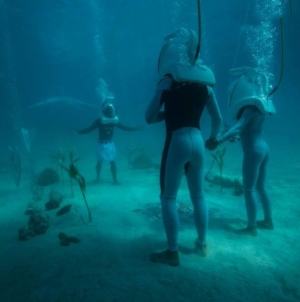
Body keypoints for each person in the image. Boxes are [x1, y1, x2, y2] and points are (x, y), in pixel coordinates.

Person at [145, 28, 222, 266]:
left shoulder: (168, 79)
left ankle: (172, 251)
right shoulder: (205, 86)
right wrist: (213, 138)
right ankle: (202, 244)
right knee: (198, 196)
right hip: (198, 140)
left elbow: (149, 116)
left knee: (168, 197)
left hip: (177, 141)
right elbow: (217, 120)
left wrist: (169, 114)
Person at [206, 67, 276, 236]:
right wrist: (234, 137)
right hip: (263, 147)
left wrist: (217, 141)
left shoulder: (250, 107)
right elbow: (246, 130)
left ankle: (251, 227)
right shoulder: (261, 105)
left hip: (253, 149)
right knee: (261, 187)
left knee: (249, 188)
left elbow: (238, 128)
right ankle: (268, 221)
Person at [73, 99, 142, 185]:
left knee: (108, 162)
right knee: (104, 162)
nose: (110, 114)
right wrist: (79, 132)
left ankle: (111, 179)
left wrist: (135, 128)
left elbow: (124, 128)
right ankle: (104, 179)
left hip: (107, 144)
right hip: (104, 144)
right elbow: (89, 129)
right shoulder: (101, 121)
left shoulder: (112, 121)